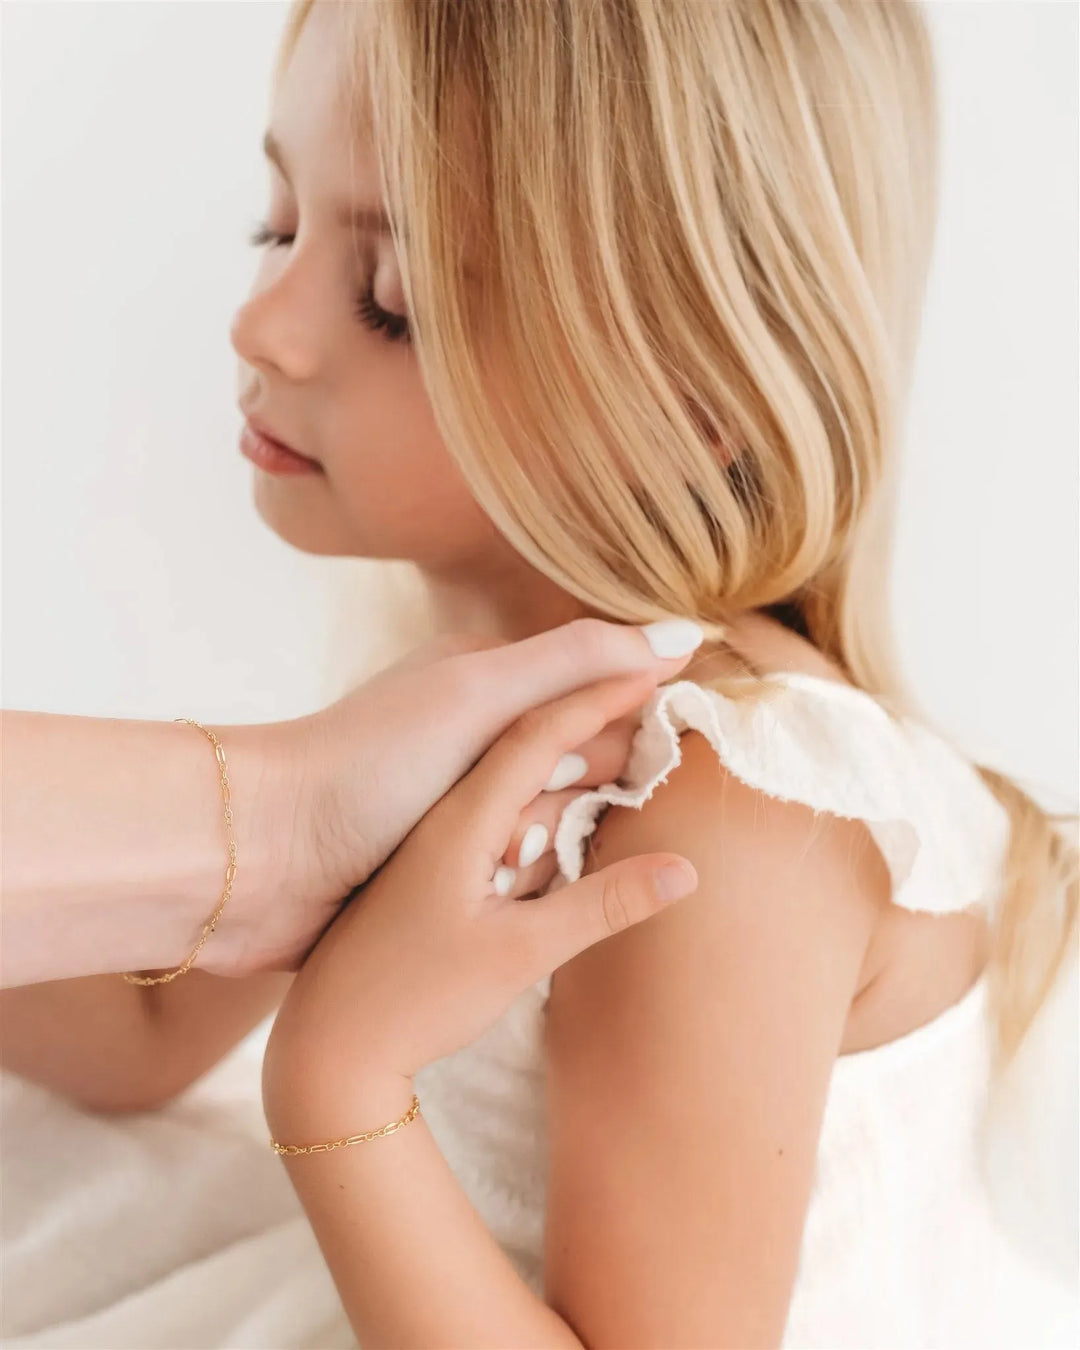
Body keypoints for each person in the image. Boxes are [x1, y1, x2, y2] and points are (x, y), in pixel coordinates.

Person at [3, 0, 1077, 1347]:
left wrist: (337, 1078)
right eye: (275, 229)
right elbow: (141, 1035)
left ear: (688, 400)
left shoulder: (723, 806)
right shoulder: (477, 705)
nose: (262, 324)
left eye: (392, 301)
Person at [1, 617, 703, 988]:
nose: (256, 343)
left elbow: (134, 1047)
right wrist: (350, 1065)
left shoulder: (702, 782)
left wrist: (294, 829)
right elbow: (139, 1044)